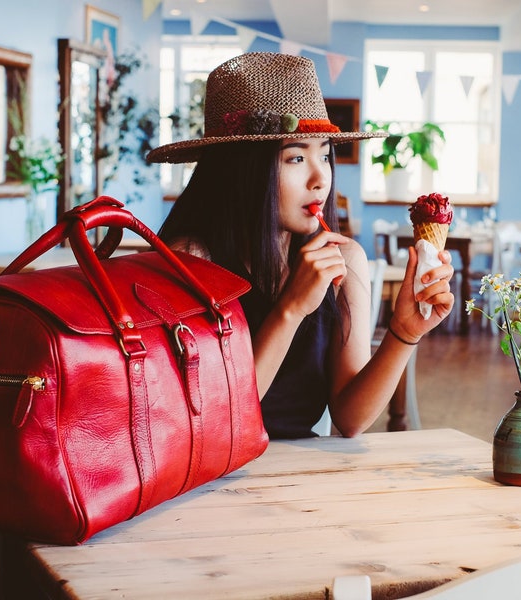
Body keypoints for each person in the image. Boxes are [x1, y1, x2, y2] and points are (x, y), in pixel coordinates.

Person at [147, 52, 454, 440]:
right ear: (243, 170)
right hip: (208, 483)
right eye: (295, 157)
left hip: (302, 480)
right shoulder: (190, 262)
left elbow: (351, 418)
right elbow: (211, 423)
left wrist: (404, 332)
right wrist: (291, 309)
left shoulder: (344, 260)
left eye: (325, 154)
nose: (320, 178)